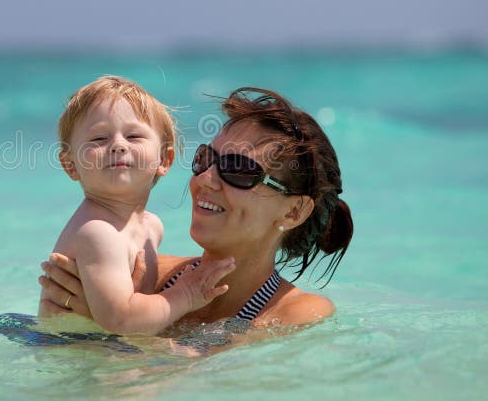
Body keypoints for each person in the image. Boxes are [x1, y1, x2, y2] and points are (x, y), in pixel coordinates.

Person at [39, 86, 353, 332]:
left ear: (294, 212)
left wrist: (118, 340)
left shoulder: (295, 313)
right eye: (205, 159)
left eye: (239, 169)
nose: (205, 179)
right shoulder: (147, 271)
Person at [38, 76, 237, 335]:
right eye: (98, 138)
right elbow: (123, 321)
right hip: (68, 353)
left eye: (133, 136)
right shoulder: (98, 233)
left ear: (164, 159)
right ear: (70, 165)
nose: (118, 145)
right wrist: (185, 294)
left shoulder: (152, 227)